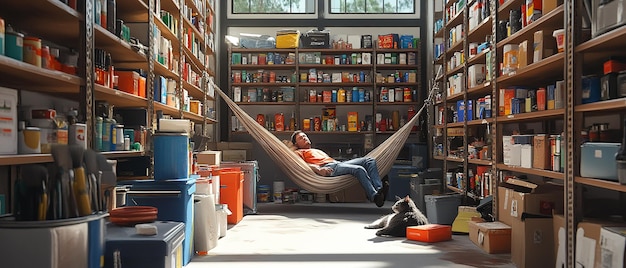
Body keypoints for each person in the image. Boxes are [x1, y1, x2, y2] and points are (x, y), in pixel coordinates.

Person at [291, 130, 389, 207]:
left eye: (305, 136)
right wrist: (318, 170)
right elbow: (302, 165)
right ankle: (374, 197)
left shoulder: (314, 149)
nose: (305, 138)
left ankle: (379, 189)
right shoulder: (298, 153)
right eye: (301, 138)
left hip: (336, 163)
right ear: (296, 144)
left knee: (369, 160)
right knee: (359, 169)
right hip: (328, 167)